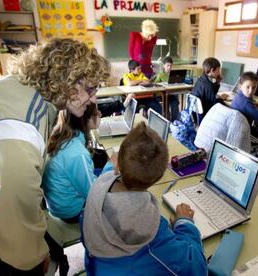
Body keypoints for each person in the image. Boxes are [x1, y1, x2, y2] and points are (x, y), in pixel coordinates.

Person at [0, 38, 110, 275]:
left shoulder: (26, 94)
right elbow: (18, 202)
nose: (94, 98)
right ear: (68, 82)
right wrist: (36, 257)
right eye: (90, 89)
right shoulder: (24, 124)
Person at [82, 122, 207, 275]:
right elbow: (197, 269)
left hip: (97, 268)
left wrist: (114, 164)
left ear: (117, 167)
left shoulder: (97, 186)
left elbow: (108, 173)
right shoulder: (150, 231)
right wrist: (185, 223)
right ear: (156, 179)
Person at [42, 103, 115, 223]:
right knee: (117, 188)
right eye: (96, 113)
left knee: (102, 165)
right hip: (71, 212)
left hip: (57, 202)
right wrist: (111, 165)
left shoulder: (62, 135)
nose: (100, 114)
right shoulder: (77, 153)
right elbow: (93, 195)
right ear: (85, 119)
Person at [153, 56, 180, 121]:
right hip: (161, 95)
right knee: (167, 103)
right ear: (163, 66)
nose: (169, 67)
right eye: (168, 65)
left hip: (170, 94)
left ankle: (174, 121)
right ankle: (166, 119)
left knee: (175, 102)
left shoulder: (174, 74)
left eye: (171, 66)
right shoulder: (160, 75)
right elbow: (154, 86)